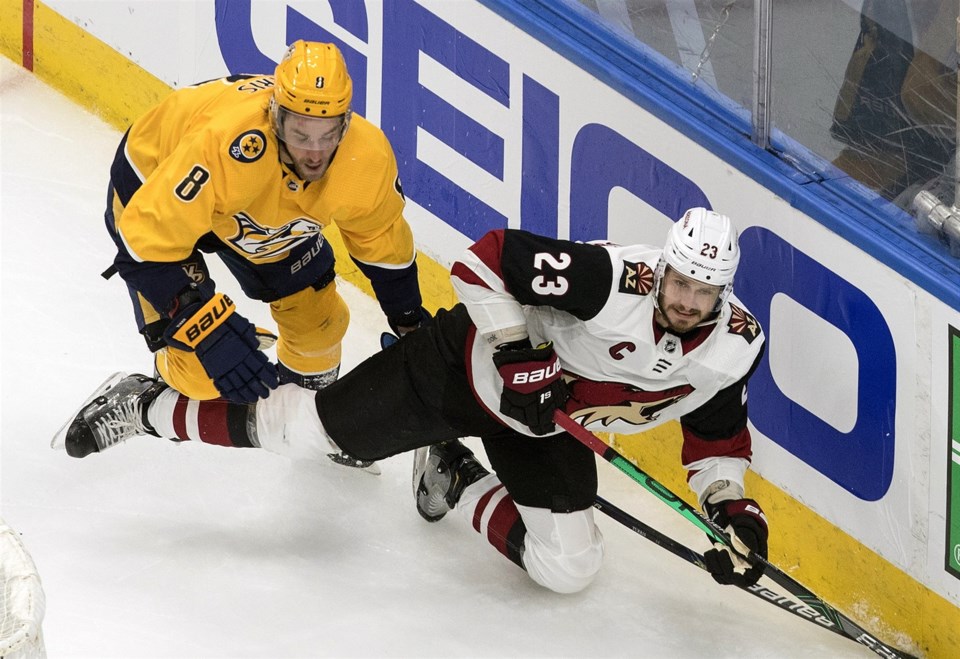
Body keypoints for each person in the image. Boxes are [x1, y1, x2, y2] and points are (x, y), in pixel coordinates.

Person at [58, 208, 768, 594]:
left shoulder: (733, 346)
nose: (683, 299)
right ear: (665, 266)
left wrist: (733, 507)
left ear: (724, 294)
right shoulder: (613, 278)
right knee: (295, 431)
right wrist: (522, 353)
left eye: (702, 293)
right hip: (455, 367)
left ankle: (454, 477)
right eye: (679, 281)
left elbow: (715, 437)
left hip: (544, 429)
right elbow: (482, 258)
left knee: (569, 568)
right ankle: (149, 406)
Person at [96, 39, 425, 469]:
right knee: (200, 370)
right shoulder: (227, 143)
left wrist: (411, 324)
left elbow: (382, 241)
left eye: (328, 135)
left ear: (346, 123)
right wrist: (207, 331)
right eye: (301, 133)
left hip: (251, 206)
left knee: (320, 325)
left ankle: (316, 423)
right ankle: (148, 395)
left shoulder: (366, 156)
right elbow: (145, 244)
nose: (314, 152)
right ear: (275, 116)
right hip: (155, 191)